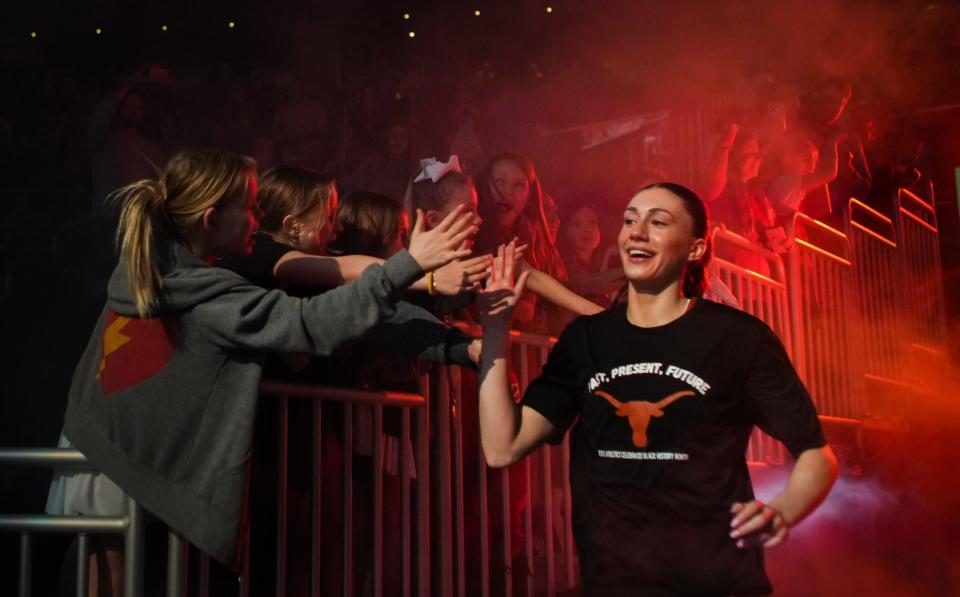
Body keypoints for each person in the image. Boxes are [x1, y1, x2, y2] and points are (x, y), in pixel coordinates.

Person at [45, 148, 476, 595]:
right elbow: (307, 324)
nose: (258, 217)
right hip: (124, 464)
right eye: (249, 208)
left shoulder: (152, 268)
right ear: (211, 220)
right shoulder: (209, 297)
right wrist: (409, 268)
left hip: (100, 447)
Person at [475, 182, 839, 596]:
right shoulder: (585, 340)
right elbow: (503, 446)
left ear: (696, 249)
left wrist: (783, 511)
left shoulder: (736, 338)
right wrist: (495, 330)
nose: (637, 231)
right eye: (630, 219)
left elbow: (817, 455)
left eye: (658, 222)